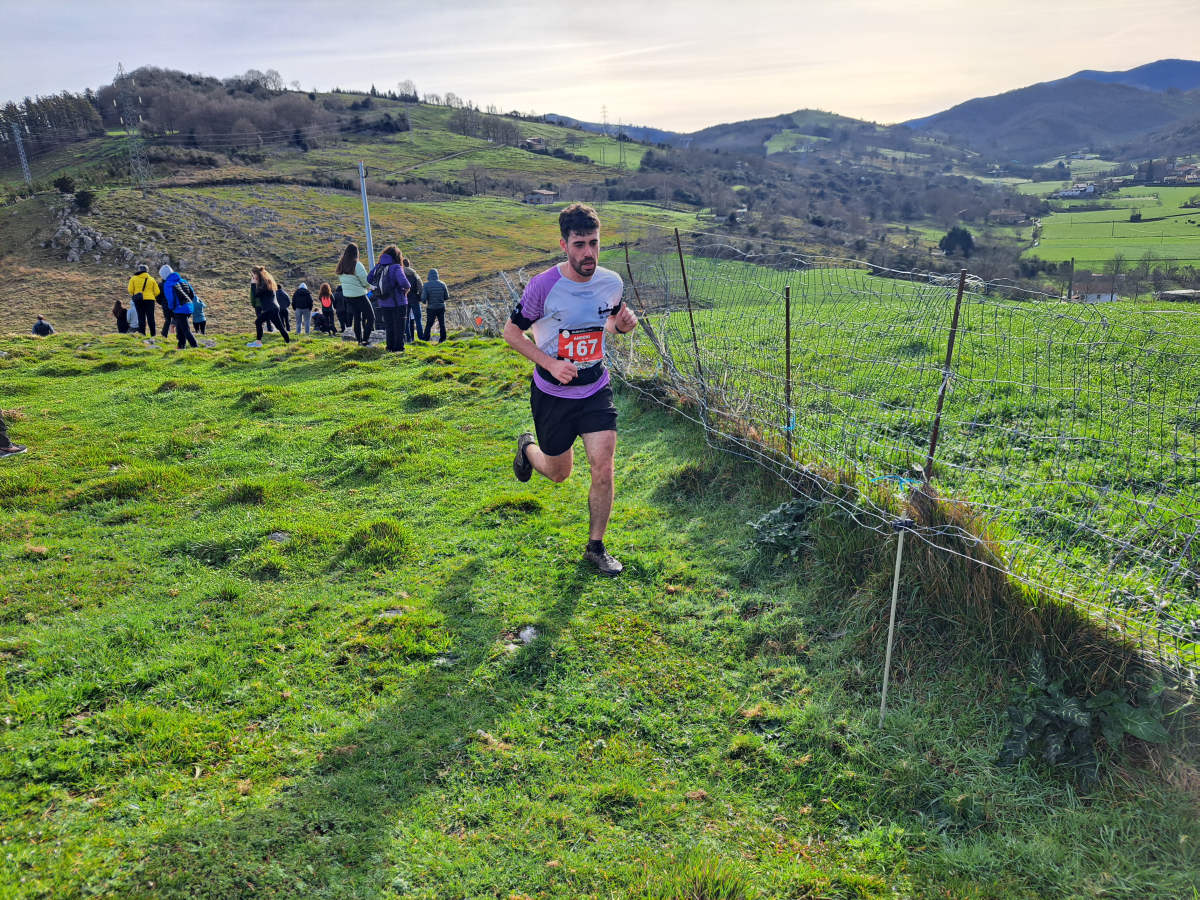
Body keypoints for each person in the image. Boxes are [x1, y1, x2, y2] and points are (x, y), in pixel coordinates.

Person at [503, 202, 638, 576]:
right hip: (552, 394)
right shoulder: (543, 286)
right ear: (564, 245)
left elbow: (608, 324)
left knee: (604, 467)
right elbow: (511, 333)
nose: (588, 253)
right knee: (560, 472)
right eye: (579, 244)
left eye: (594, 243)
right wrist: (549, 363)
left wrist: (624, 325)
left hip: (595, 388)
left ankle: (596, 548)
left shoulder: (611, 282)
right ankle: (527, 449)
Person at [367, 245, 410, 353]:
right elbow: (405, 283)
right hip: (398, 302)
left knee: (389, 326)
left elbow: (368, 279)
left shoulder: (378, 267)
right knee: (399, 326)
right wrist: (407, 288)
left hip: (384, 302)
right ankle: (399, 348)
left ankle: (389, 347)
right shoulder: (396, 267)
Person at [336, 242, 372, 345]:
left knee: (357, 318)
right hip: (359, 295)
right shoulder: (357, 264)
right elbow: (365, 282)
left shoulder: (341, 265)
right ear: (356, 253)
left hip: (348, 296)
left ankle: (359, 341)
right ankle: (365, 339)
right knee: (371, 317)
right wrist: (371, 287)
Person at [160, 265, 199, 349]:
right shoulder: (183, 280)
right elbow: (192, 294)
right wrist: (187, 303)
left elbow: (170, 299)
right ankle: (181, 346)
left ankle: (195, 346)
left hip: (179, 309)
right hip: (189, 306)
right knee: (180, 327)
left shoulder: (168, 284)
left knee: (185, 329)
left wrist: (171, 308)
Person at [249, 266, 290, 345]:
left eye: (253, 274)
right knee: (280, 327)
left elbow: (256, 295)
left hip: (270, 309)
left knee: (258, 322)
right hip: (273, 308)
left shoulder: (263, 283)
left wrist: (253, 285)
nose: (253, 276)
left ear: (257, 274)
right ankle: (288, 342)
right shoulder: (266, 281)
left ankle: (258, 342)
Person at [127, 264, 160, 336]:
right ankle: (153, 335)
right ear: (147, 271)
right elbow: (157, 292)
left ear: (139, 270)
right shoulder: (152, 279)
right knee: (151, 318)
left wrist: (135, 294)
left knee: (141, 317)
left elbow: (130, 290)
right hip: (150, 300)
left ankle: (142, 334)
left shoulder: (133, 278)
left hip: (139, 300)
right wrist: (151, 295)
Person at [421, 268, 449, 343]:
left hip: (431, 308)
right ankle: (443, 339)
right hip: (441, 307)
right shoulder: (443, 284)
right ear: (437, 275)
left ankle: (425, 338)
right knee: (442, 323)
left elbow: (423, 298)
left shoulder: (426, 285)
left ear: (429, 276)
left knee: (429, 323)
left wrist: (424, 302)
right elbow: (446, 297)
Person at [402, 257, 423, 342]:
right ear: (409, 264)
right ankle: (421, 337)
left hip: (405, 299)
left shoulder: (400, 274)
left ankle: (409, 339)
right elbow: (420, 286)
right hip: (414, 298)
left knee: (406, 320)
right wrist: (420, 297)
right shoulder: (414, 273)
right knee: (418, 319)